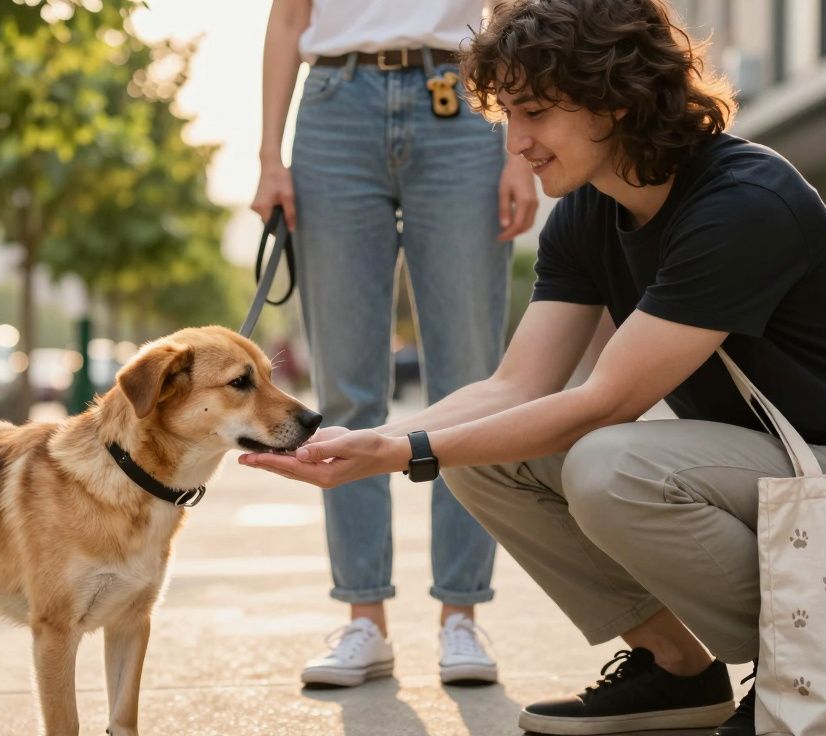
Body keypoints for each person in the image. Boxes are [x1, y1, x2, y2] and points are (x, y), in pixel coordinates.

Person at [241, 1, 826, 734]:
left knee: (608, 465)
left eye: (536, 114)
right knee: (484, 457)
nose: (515, 144)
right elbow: (515, 387)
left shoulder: (742, 202)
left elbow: (607, 400)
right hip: (776, 478)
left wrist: (404, 450)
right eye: (507, 116)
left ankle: (803, 661)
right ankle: (675, 668)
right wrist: (384, 442)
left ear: (616, 97)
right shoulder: (590, 209)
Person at [251, 0, 539, 688]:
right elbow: (289, 16)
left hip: (464, 102)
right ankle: (363, 617)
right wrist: (269, 155)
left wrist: (519, 147)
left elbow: (511, 11)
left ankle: (461, 615)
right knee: (347, 386)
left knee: (470, 383)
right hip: (334, 106)